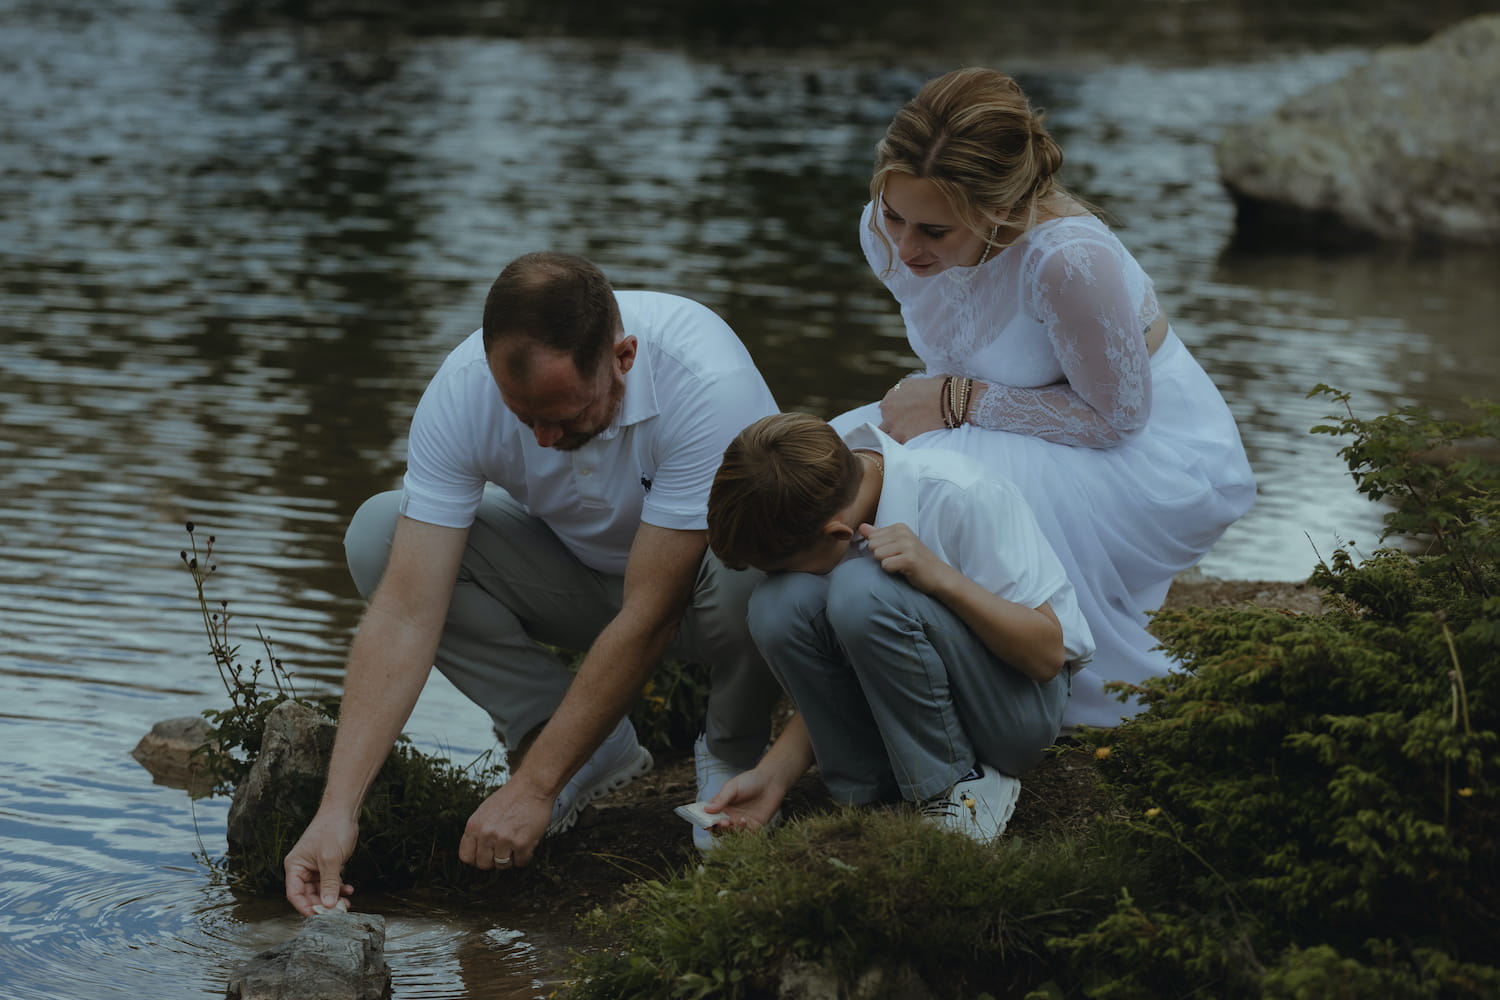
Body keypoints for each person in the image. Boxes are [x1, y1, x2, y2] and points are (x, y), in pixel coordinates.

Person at [283, 252, 782, 915]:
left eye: (565, 414)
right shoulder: (464, 390)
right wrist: (337, 812)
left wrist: (535, 790)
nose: (544, 438)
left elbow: (650, 615)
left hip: (700, 593)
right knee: (379, 536)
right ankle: (577, 742)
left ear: (623, 357)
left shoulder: (706, 386)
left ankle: (732, 752)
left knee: (763, 565)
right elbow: (405, 613)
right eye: (524, 417)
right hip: (580, 583)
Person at [831, 67, 1256, 729]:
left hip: (1146, 448)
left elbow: (1118, 418)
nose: (904, 246)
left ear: (997, 210)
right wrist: (949, 403)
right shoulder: (886, 231)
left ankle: (1011, 685)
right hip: (1010, 413)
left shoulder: (1067, 261)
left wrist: (956, 402)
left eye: (934, 233)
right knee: (834, 463)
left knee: (943, 491)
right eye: (893, 214)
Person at [701, 413, 1094, 842]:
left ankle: (958, 784)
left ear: (837, 533)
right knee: (777, 606)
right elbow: (861, 664)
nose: (779, 575)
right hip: (904, 708)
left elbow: (1047, 656)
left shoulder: (962, 494)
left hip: (1016, 710)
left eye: (781, 567)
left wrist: (941, 578)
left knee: (862, 588)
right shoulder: (818, 488)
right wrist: (773, 774)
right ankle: (868, 793)